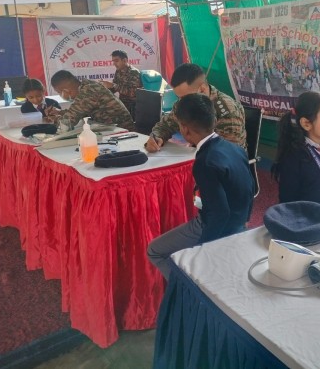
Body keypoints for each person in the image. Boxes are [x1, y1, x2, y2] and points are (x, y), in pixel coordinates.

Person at [147, 93, 254, 279]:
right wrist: (243, 221)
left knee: (154, 250)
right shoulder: (236, 149)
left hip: (213, 226)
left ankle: (186, 288)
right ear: (214, 120)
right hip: (239, 222)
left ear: (184, 130)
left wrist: (204, 248)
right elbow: (250, 189)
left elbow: (219, 213)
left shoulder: (205, 162)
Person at [145, 63, 246, 151]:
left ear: (202, 89)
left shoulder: (227, 110)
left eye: (184, 97)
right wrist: (156, 137)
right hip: (197, 154)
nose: (181, 101)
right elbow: (166, 125)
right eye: (179, 97)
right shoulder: (186, 102)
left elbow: (228, 152)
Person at [49, 69, 135, 131]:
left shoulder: (88, 91)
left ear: (66, 91)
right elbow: (78, 112)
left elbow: (66, 123)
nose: (60, 95)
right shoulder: (86, 86)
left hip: (123, 131)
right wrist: (59, 112)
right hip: (112, 129)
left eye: (59, 92)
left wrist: (54, 120)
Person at [99, 50, 142, 119]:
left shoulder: (133, 72)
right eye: (113, 61)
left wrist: (113, 85)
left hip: (133, 106)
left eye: (116, 61)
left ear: (125, 60)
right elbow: (114, 88)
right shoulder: (118, 71)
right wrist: (105, 87)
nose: (114, 63)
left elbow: (133, 93)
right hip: (123, 104)